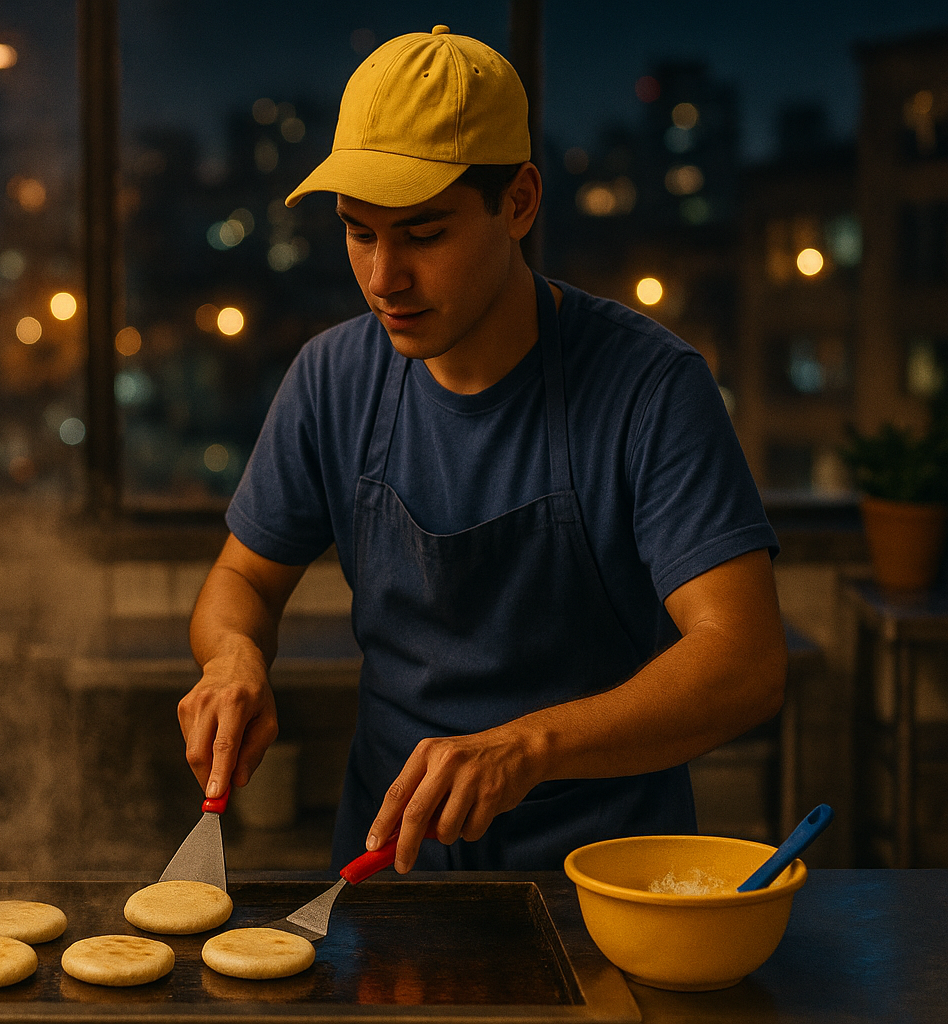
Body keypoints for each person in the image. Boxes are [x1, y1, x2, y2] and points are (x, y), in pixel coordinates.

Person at [177, 26, 788, 873]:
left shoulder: (650, 386)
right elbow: (242, 578)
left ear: (520, 202)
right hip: (386, 869)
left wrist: (527, 748)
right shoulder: (331, 377)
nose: (384, 278)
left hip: (600, 877)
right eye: (360, 233)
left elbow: (745, 661)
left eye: (424, 234)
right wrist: (234, 655)